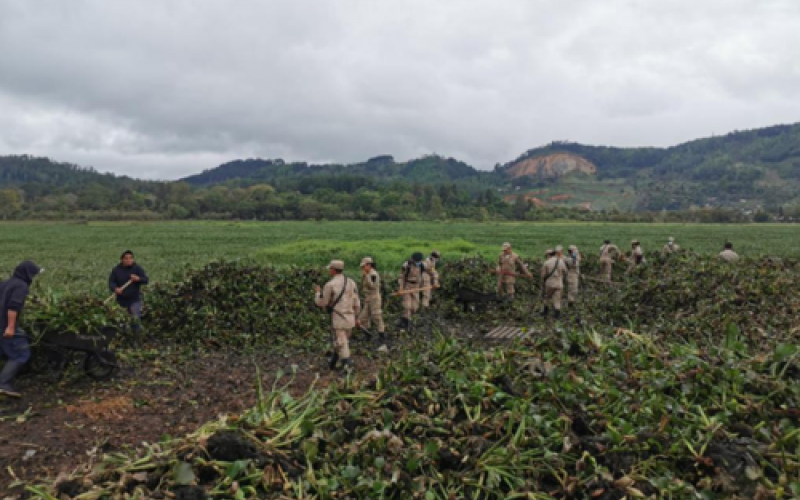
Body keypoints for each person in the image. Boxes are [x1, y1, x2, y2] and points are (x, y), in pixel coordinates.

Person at [0, 261, 43, 398]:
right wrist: (11, 327)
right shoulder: (21, 286)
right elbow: (14, 306)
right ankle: (3, 384)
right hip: (4, 324)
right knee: (20, 354)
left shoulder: (7, 282)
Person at [315, 260, 360, 372]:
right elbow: (357, 302)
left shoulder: (330, 284)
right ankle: (333, 362)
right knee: (342, 341)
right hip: (350, 318)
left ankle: (348, 365)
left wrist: (317, 293)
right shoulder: (351, 282)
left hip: (338, 318)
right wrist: (357, 317)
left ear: (333, 270)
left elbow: (322, 303)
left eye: (330, 269)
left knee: (341, 342)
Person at [108, 250, 149, 337]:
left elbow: (145, 280)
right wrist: (115, 288)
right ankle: (123, 338)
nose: (129, 260)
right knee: (122, 321)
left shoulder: (137, 269)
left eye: (131, 258)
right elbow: (111, 282)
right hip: (121, 301)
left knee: (135, 320)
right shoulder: (116, 270)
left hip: (134, 300)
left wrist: (138, 279)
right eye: (126, 259)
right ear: (122, 260)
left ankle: (136, 339)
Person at [398, 252, 438, 329]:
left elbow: (434, 272)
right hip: (407, 287)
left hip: (416, 287)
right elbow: (401, 277)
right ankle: (405, 323)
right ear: (412, 260)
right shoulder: (406, 265)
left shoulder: (424, 265)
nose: (417, 263)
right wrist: (400, 288)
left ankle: (405, 318)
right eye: (416, 262)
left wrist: (435, 282)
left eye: (419, 261)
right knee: (407, 306)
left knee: (415, 307)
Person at [357, 257, 385, 342]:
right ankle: (367, 335)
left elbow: (372, 286)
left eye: (364, 266)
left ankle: (381, 336)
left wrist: (366, 276)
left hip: (374, 298)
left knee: (376, 317)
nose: (363, 268)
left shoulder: (373, 274)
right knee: (363, 318)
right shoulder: (367, 273)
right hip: (368, 298)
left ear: (369, 265)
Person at [541, 247, 568, 319]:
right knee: (557, 299)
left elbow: (543, 275)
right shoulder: (561, 261)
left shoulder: (546, 262)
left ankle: (545, 312)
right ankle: (557, 315)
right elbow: (565, 271)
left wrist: (543, 282)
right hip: (559, 283)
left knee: (547, 297)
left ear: (548, 255)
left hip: (549, 284)